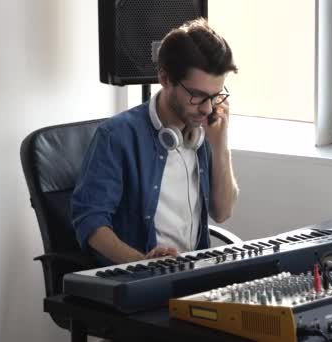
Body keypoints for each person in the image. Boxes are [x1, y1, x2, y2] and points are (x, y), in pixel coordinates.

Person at [71, 18, 239, 266]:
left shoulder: (204, 130)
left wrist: (220, 145)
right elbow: (90, 221)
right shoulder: (117, 136)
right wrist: (143, 264)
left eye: (215, 96)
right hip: (138, 281)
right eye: (197, 95)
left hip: (194, 277)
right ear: (165, 79)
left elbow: (222, 212)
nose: (206, 108)